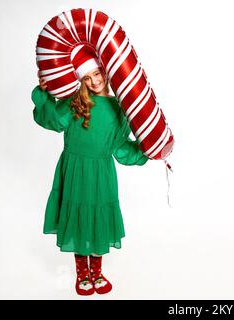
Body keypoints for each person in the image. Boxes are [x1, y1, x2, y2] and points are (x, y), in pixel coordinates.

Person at [32, 48, 149, 295]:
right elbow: (50, 120)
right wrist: (44, 94)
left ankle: (96, 271)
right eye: (87, 77)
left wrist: (146, 151)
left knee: (98, 217)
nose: (95, 81)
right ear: (81, 80)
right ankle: (82, 273)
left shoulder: (119, 109)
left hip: (101, 172)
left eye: (98, 73)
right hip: (75, 169)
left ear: (106, 71)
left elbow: (120, 147)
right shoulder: (75, 101)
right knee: (77, 214)